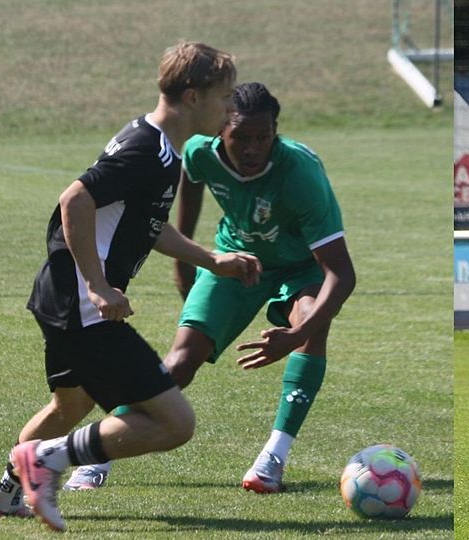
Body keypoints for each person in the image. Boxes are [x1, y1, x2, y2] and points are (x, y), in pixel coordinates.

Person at [0, 41, 260, 532]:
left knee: (71, 405)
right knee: (175, 423)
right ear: (193, 97)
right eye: (225, 96)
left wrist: (212, 260)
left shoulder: (162, 148)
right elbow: (75, 201)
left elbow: (146, 223)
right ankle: (44, 460)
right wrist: (98, 286)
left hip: (63, 298)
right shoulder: (147, 149)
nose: (231, 107)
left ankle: (6, 497)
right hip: (82, 305)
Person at [61, 82, 356, 495]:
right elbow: (188, 191)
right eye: (241, 138)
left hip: (298, 266)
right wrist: (187, 263)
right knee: (181, 360)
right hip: (236, 260)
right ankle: (100, 453)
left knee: (312, 319)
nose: (253, 148)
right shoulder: (200, 151)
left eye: (263, 138)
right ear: (221, 130)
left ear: (276, 132)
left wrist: (298, 334)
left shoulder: (300, 173)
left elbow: (342, 273)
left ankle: (274, 455)